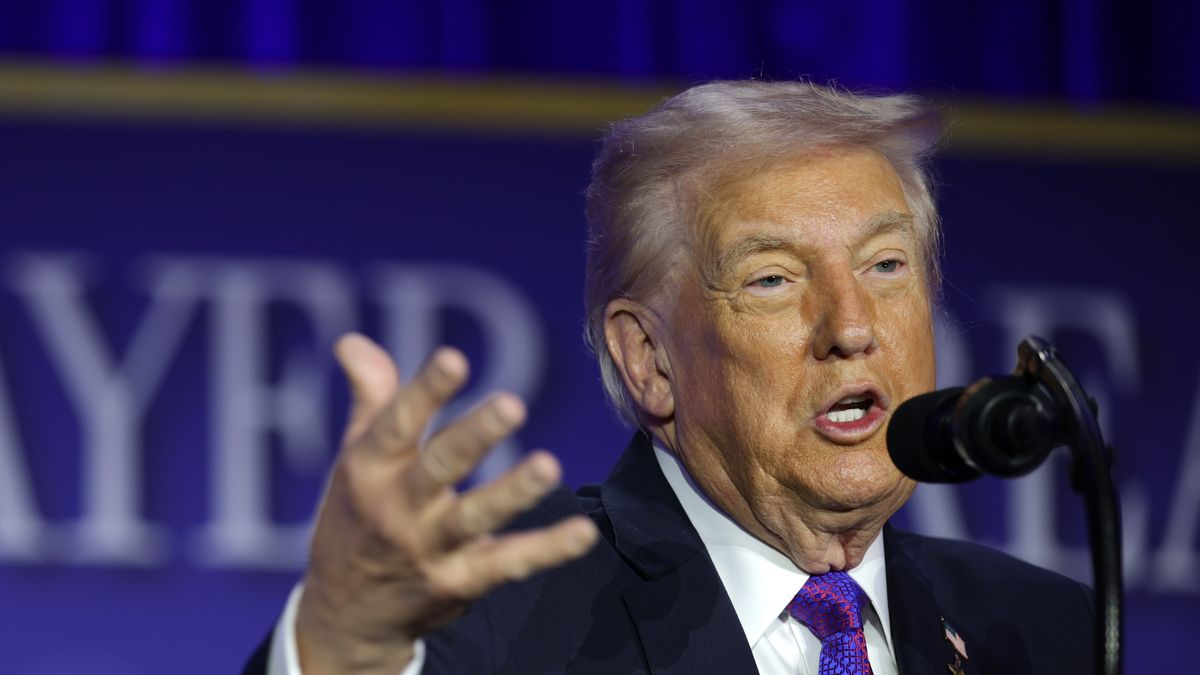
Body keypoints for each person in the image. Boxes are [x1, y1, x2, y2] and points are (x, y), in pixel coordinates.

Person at [245, 81, 1094, 674]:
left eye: (885, 264)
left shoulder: (1044, 633)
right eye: (773, 278)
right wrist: (336, 654)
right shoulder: (499, 612)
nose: (852, 326)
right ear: (649, 359)